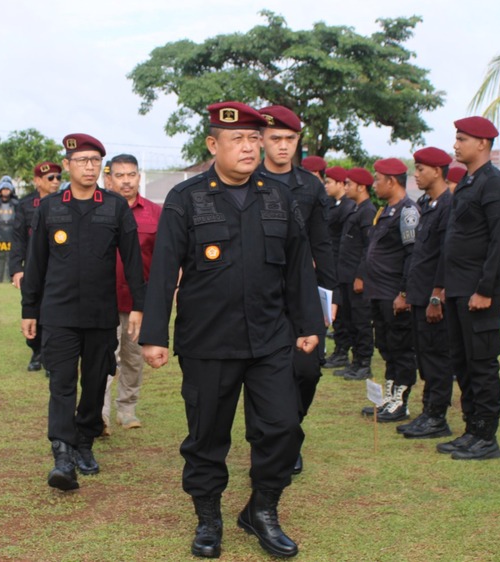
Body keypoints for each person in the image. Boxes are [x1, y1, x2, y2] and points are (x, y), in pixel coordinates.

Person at [140, 102, 320, 559]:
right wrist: (155, 335)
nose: (249, 147)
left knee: (283, 428)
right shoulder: (188, 197)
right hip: (209, 341)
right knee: (207, 437)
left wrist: (308, 323)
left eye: (255, 138)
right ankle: (208, 519)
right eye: (238, 139)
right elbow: (163, 270)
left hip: (270, 338)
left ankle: (261, 510)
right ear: (212, 145)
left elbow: (299, 265)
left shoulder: (278, 197)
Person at [21, 133, 145, 492]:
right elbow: (37, 264)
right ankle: (61, 452)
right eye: (82, 161)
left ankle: (84, 442)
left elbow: (133, 259)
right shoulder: (49, 207)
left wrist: (138, 305)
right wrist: (30, 309)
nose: (89, 167)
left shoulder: (114, 206)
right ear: (69, 165)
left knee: (94, 383)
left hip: (100, 313)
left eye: (95, 161)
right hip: (57, 312)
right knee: (60, 384)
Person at [256, 104, 337, 474]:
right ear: (262, 141)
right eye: (275, 139)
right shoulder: (247, 179)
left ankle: (290, 432)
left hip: (303, 294)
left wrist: (329, 298)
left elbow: (323, 245)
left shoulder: (311, 186)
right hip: (261, 294)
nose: (283, 147)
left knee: (307, 371)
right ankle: (272, 441)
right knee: (261, 373)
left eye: (289, 139)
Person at [434, 116, 500, 461]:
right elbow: (453, 240)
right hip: (458, 288)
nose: (456, 145)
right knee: (463, 362)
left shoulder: (493, 183)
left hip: (479, 290)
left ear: (482, 143)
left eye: (462, 139)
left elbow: (498, 240)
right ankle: (471, 429)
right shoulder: (467, 182)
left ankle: (486, 436)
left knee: (482, 363)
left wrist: (485, 288)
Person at [397, 148, 455, 439]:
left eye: (420, 169)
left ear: (437, 170)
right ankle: (428, 411)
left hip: (432, 296)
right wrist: (408, 292)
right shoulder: (426, 204)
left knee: (437, 357)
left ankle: (437, 417)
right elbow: (419, 253)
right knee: (425, 356)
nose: (415, 174)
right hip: (418, 293)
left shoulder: (448, 205)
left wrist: (437, 295)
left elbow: (446, 255)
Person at [101, 153, 160, 434]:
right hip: (103, 300)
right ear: (108, 178)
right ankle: (100, 414)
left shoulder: (154, 213)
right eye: (120, 175)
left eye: (131, 175)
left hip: (139, 302)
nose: (126, 181)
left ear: (139, 177)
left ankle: (127, 409)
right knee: (104, 357)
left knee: (133, 358)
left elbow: (163, 258)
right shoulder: (98, 208)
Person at [358, 158, 419, 422]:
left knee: (401, 347)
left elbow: (412, 254)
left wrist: (404, 293)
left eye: (378, 179)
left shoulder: (408, 212)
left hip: (394, 293)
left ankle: (401, 402)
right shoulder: (385, 211)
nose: (374, 184)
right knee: (386, 345)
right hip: (378, 291)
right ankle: (391, 396)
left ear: (392, 181)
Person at [11, 161, 63, 373]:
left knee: (53, 311)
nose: (56, 182)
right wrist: (17, 268)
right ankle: (36, 351)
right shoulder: (25, 205)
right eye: (51, 178)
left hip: (57, 267)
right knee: (33, 308)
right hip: (33, 268)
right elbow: (18, 238)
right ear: (37, 181)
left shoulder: (63, 203)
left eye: (59, 178)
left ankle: (50, 357)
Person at [335, 168, 377, 381]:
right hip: (346, 275)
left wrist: (361, 275)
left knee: (361, 321)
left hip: (357, 278)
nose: (347, 187)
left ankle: (364, 363)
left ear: (361, 187)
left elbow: (369, 247)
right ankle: (355, 361)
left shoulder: (368, 211)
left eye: (350, 183)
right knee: (350, 319)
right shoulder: (356, 209)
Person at [322, 166, 355, 370]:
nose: (326, 186)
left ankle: (344, 351)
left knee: (345, 312)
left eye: (329, 182)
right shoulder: (335, 204)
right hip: (333, 264)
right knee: (338, 312)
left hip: (342, 264)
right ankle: (340, 350)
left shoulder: (348, 207)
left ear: (340, 184)